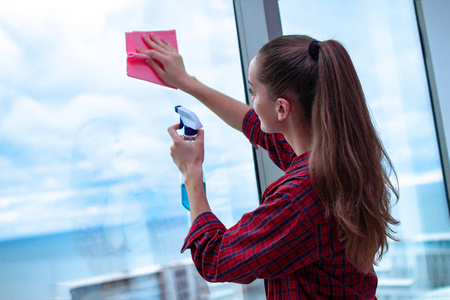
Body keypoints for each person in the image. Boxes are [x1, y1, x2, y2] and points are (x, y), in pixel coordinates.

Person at [137, 33, 399, 299]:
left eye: (254, 91)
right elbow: (253, 125)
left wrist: (191, 172)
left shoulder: (300, 197)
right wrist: (186, 82)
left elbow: (215, 258)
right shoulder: (339, 159)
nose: (253, 101)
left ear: (281, 109)